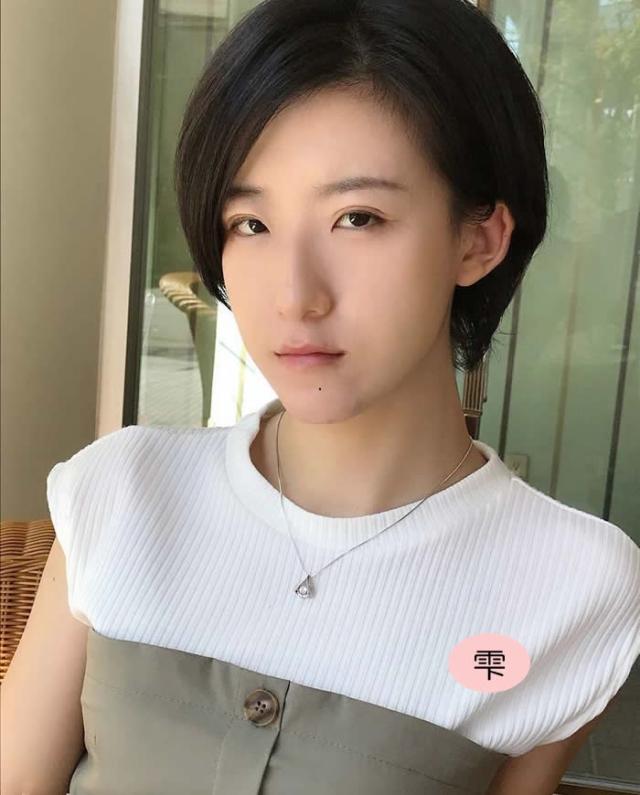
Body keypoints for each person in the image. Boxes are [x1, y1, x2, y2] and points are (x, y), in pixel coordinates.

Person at [3, 0, 639, 793]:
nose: (294, 296)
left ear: (479, 239)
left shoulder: (574, 585)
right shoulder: (124, 491)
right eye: (250, 224)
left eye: (357, 217)